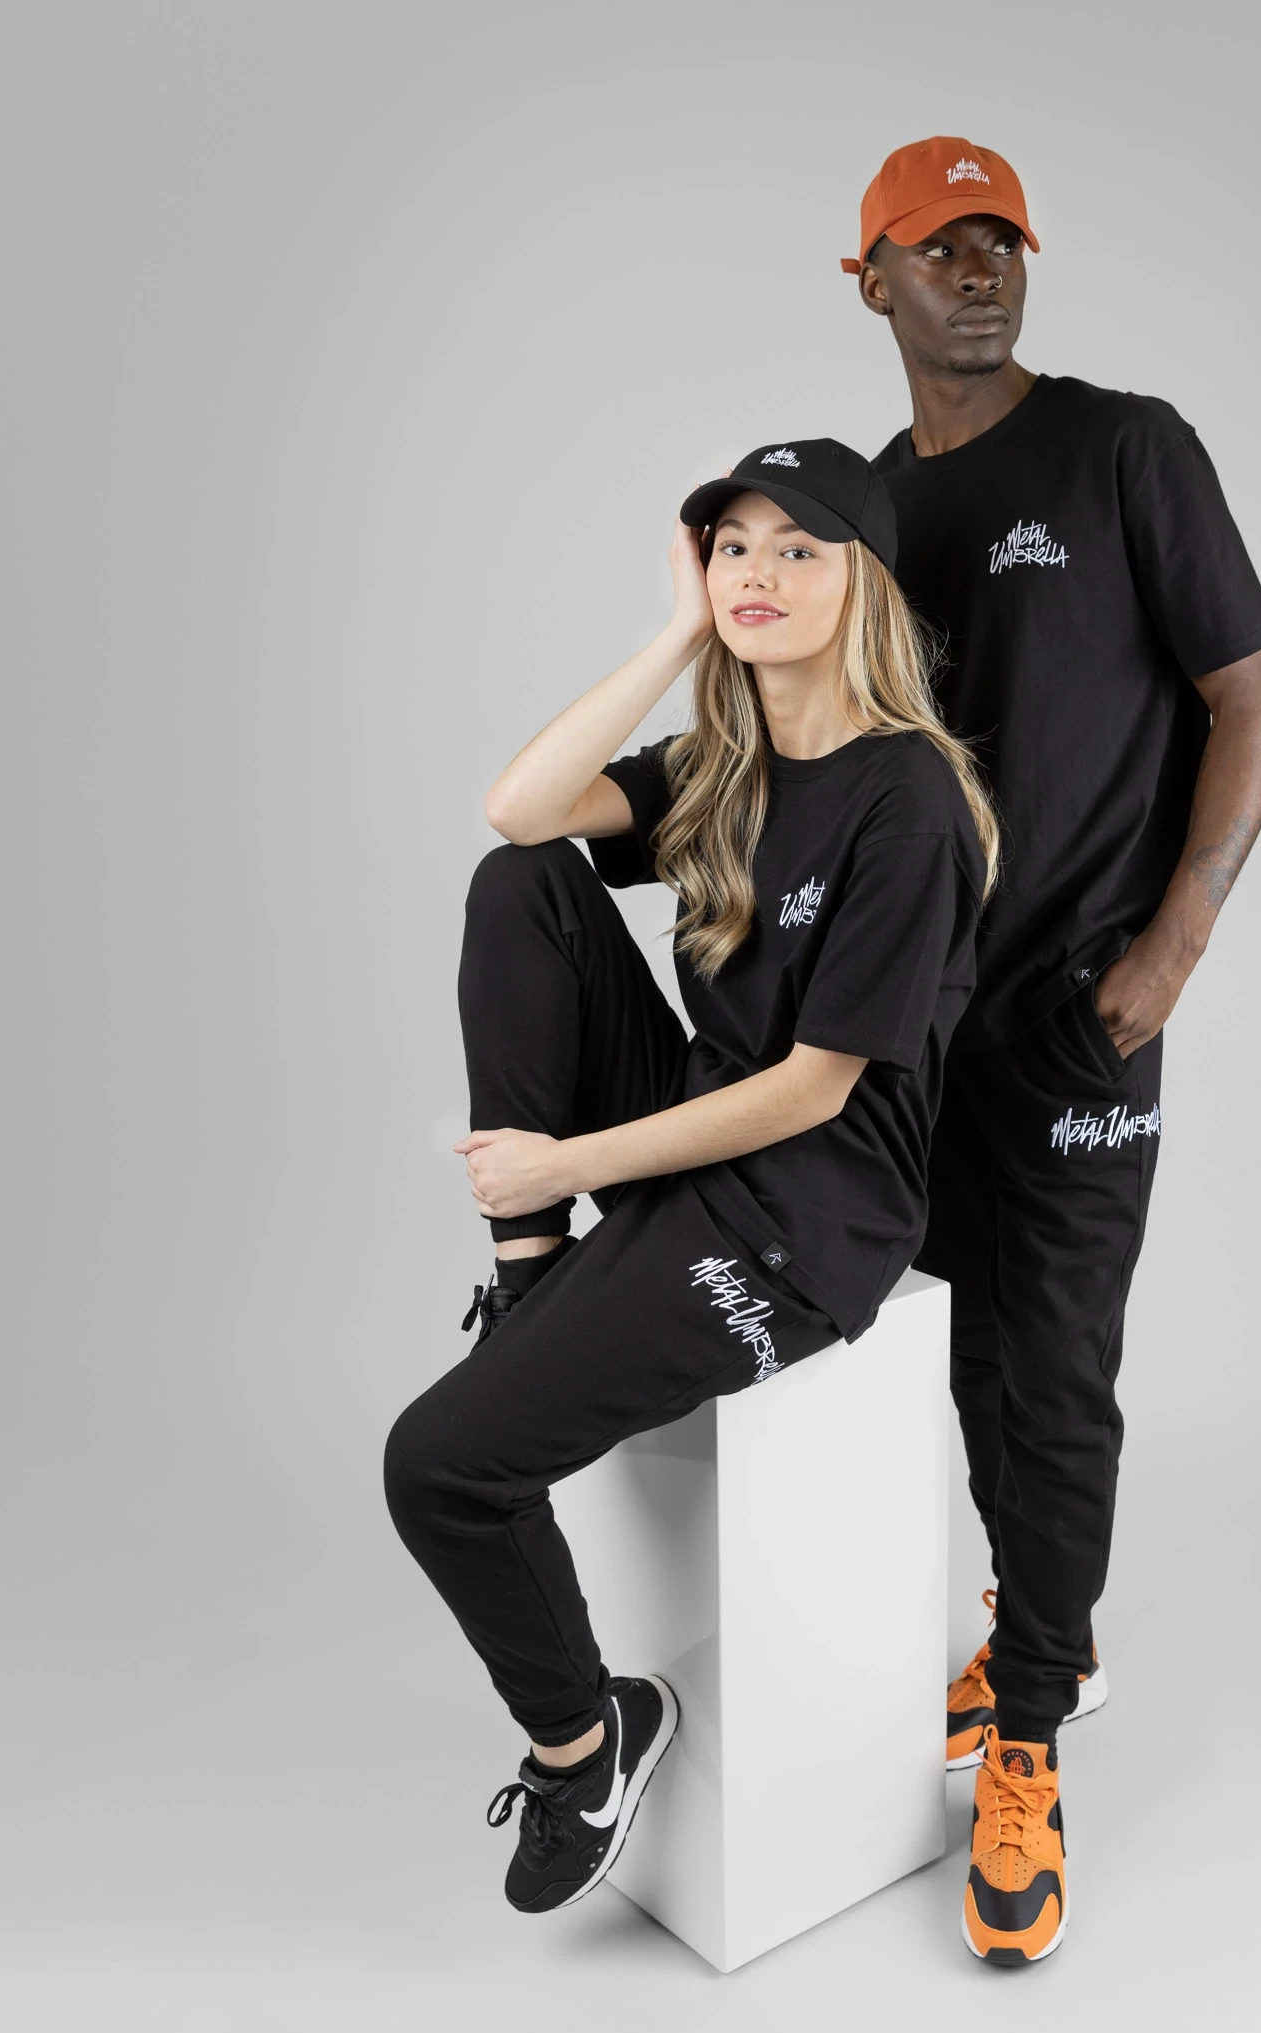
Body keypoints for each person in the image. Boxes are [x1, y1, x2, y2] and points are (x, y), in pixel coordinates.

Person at [384, 438, 996, 1917]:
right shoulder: (724, 769)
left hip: (805, 1221)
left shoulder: (908, 798)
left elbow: (814, 1088)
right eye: (732, 549)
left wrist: (565, 1160)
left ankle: (587, 1742)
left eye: (798, 549)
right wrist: (673, 637)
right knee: (521, 884)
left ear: (864, 584)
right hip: (695, 1141)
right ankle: (530, 1272)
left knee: (440, 1467)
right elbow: (518, 811)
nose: (757, 574)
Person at [843, 138, 1261, 1965]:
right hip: (925, 1020)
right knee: (971, 1345)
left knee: (1055, 1365)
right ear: (869, 280)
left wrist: (1176, 944)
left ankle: (1027, 1735)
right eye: (937, 247)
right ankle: (1057, 1625)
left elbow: (1251, 699)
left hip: (1085, 1012)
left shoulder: (1127, 449)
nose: (979, 270)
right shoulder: (874, 500)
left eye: (1001, 241)